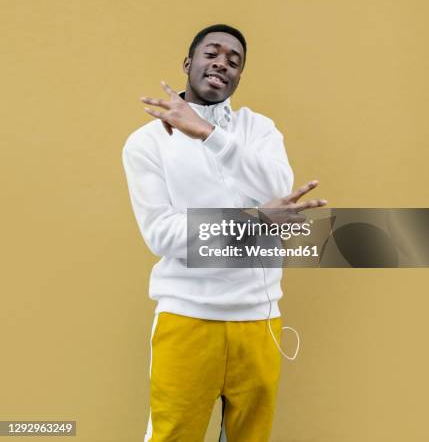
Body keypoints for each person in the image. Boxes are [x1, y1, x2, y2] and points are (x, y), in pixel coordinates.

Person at [122, 24, 327, 442]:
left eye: (234, 61)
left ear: (239, 77)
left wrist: (211, 136)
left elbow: (277, 192)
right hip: (188, 318)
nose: (222, 63)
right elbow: (163, 235)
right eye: (212, 54)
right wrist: (256, 222)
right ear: (188, 64)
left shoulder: (259, 129)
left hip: (260, 321)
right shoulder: (146, 143)